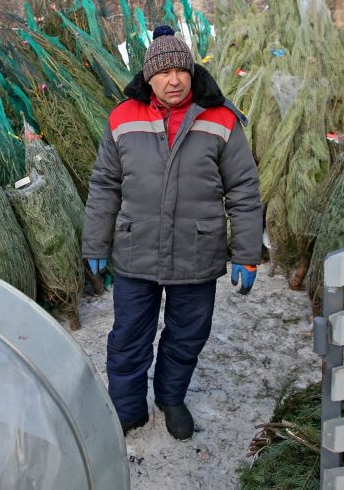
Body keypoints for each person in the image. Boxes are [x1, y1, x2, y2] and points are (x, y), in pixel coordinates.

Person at [83, 25, 262, 440]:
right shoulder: (122, 117)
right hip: (136, 248)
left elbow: (243, 189)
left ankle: (171, 398)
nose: (174, 79)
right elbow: (104, 184)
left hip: (196, 252)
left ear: (191, 71)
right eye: (163, 73)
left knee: (187, 335)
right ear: (149, 77)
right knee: (128, 335)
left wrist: (247, 250)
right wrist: (95, 240)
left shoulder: (220, 119)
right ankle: (127, 408)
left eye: (181, 69)